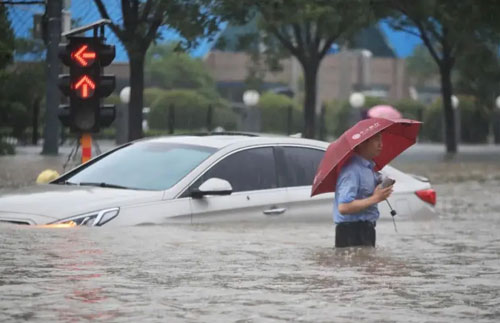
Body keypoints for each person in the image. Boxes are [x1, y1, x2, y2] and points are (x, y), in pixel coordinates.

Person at [333, 132, 393, 248]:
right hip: (350, 231)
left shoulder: (370, 169)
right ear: (361, 144)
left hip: (367, 229)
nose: (381, 144)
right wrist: (375, 198)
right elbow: (344, 207)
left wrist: (381, 187)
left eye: (381, 140)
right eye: (376, 140)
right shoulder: (351, 171)